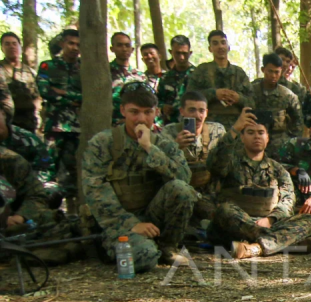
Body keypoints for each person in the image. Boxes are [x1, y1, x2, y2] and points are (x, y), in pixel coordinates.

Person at [82, 83, 195, 271]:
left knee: (181, 189)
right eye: (134, 112)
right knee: (145, 258)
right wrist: (132, 224)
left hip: (153, 216)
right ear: (123, 111)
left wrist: (150, 148)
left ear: (156, 112)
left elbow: (184, 180)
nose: (141, 119)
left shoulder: (164, 144)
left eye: (148, 112)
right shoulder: (103, 143)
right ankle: (137, 247)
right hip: (118, 222)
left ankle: (167, 246)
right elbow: (95, 192)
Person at [205, 107, 311, 259]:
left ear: (268, 137)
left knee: (309, 220)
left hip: (268, 222)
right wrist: (234, 130)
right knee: (224, 210)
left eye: (261, 132)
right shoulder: (230, 162)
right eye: (250, 132)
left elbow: (288, 201)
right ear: (242, 137)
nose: (256, 137)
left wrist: (270, 220)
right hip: (233, 225)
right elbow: (215, 164)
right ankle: (281, 242)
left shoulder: (278, 170)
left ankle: (254, 248)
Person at [0, 111, 78, 264]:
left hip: (21, 196)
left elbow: (36, 192)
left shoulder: (13, 158)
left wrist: (21, 216)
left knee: (49, 214)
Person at [162, 90, 226, 221]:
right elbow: (161, 168)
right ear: (182, 111)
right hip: (180, 196)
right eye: (192, 110)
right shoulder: (168, 133)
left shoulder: (217, 131)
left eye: (201, 111)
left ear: (206, 113)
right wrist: (176, 147)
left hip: (209, 195)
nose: (197, 116)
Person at [37, 29, 81, 204]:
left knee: (74, 172)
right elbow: (45, 91)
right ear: (62, 43)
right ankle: (45, 210)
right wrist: (73, 99)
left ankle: (74, 213)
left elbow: (90, 95)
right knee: (47, 171)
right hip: (54, 126)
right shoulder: (48, 66)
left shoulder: (85, 67)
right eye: (71, 43)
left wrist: (62, 93)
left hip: (78, 128)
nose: (74, 48)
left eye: (78, 45)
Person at [187, 30, 254, 130]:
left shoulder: (239, 73)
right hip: (208, 127)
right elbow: (189, 98)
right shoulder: (201, 71)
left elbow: (252, 102)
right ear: (210, 48)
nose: (220, 47)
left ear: (228, 47)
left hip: (237, 127)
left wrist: (238, 98)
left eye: (223, 42)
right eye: (215, 43)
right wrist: (214, 94)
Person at [251, 53, 303, 158]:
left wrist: (291, 139)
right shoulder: (251, 91)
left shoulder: (287, 95)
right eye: (270, 71)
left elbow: (298, 120)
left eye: (277, 72)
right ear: (263, 70)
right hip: (254, 141)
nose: (273, 75)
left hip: (279, 144)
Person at [1, 32, 41, 133]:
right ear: (2, 48)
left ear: (20, 47)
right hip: (4, 125)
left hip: (28, 123)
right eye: (7, 44)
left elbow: (38, 96)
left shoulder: (30, 72)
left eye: (14, 44)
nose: (11, 47)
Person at [157, 35, 195, 125]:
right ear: (171, 52)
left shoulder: (198, 75)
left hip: (192, 123)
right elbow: (157, 101)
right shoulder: (165, 78)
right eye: (177, 53)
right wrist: (163, 108)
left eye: (184, 53)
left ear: (190, 53)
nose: (181, 57)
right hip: (169, 125)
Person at [109, 32, 146, 123]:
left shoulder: (140, 76)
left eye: (127, 45)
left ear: (132, 49)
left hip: (133, 123)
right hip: (109, 123)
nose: (124, 49)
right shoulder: (104, 72)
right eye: (119, 45)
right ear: (112, 49)